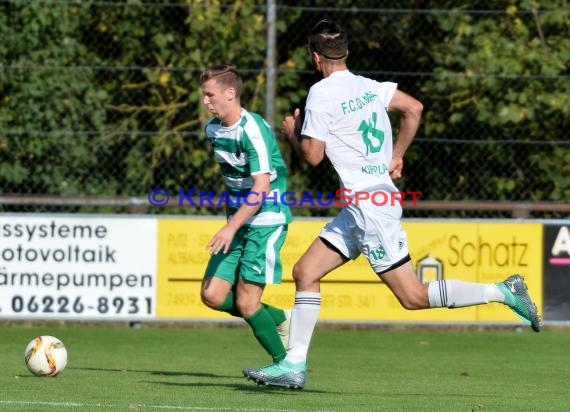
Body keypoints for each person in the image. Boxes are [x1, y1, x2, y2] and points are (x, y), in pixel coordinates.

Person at [242, 20, 540, 389]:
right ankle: (294, 365)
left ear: (315, 56)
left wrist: (293, 133)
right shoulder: (370, 87)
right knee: (306, 273)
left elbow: (313, 156)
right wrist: (396, 155)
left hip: (370, 210)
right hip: (363, 206)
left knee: (412, 296)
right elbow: (414, 107)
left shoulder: (320, 94)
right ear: (345, 53)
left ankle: (503, 291)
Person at [199, 65, 292, 366]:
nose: (205, 101)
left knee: (246, 302)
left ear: (230, 93)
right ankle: (278, 317)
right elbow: (232, 183)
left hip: (266, 220)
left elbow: (262, 187)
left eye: (209, 94)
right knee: (212, 295)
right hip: (240, 220)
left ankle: (285, 364)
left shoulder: (253, 130)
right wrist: (231, 223)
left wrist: (230, 228)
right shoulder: (213, 130)